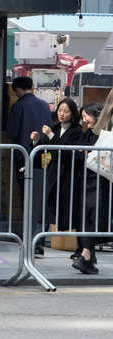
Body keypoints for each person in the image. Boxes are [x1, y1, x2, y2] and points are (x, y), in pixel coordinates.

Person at [8, 76, 54, 255]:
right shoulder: (44, 105)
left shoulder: (18, 106)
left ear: (18, 90)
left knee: (27, 197)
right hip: (43, 156)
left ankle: (29, 240)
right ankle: (39, 240)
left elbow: (12, 131)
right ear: (32, 87)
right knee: (42, 198)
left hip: (24, 156)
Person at [31, 97, 84, 241]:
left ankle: (82, 248)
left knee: (73, 211)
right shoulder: (55, 128)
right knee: (45, 208)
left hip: (68, 175)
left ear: (73, 113)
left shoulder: (77, 132)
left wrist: (51, 135)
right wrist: (36, 140)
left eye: (66, 111)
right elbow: (42, 147)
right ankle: (38, 242)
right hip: (53, 173)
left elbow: (65, 151)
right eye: (60, 110)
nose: (61, 114)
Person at [73, 102, 109, 274]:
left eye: (85, 116)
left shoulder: (102, 134)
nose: (84, 120)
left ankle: (87, 255)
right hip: (96, 181)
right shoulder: (94, 133)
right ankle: (87, 255)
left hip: (99, 181)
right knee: (96, 217)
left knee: (97, 217)